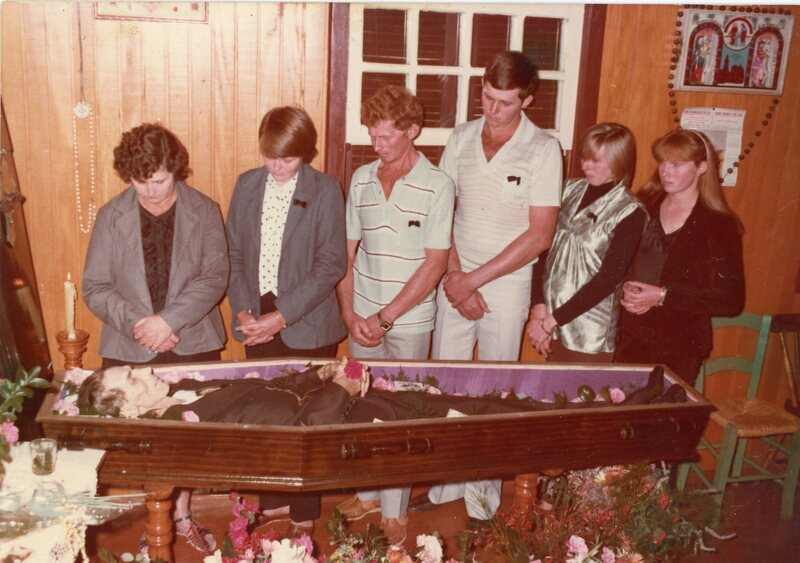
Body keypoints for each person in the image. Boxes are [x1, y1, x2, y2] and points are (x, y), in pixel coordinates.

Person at [419, 50, 562, 528]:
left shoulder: (543, 149)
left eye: (505, 102)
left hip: (505, 284)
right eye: (487, 97)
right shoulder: (461, 137)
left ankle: (483, 497)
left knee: (495, 390)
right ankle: (446, 483)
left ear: (527, 100)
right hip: (455, 274)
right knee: (447, 385)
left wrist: (472, 281)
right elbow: (442, 212)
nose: (494, 109)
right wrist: (455, 277)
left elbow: (539, 236)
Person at [83, 122, 228, 553]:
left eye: (160, 180)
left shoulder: (204, 210)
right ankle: (155, 519)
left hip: (192, 339)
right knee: (143, 442)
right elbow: (95, 287)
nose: (150, 191)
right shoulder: (111, 215)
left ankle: (181, 513)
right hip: (129, 346)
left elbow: (215, 276)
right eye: (139, 181)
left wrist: (169, 322)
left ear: (175, 167)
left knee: (189, 435)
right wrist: (140, 325)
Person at [335, 84, 455, 545]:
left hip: (409, 321)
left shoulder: (438, 185)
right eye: (372, 135)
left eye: (386, 136)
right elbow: (345, 254)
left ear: (413, 131)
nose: (377, 145)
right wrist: (350, 313)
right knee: (364, 408)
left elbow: (435, 264)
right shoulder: (361, 179)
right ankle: (369, 494)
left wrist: (385, 317)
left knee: (401, 414)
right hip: (362, 319)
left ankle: (394, 508)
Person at [226, 106, 347, 537]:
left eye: (288, 159)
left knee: (307, 417)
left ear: (306, 153)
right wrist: (243, 310)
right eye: (269, 156)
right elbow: (233, 254)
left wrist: (282, 316)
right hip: (255, 313)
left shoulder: (325, 190)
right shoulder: (246, 184)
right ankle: (274, 500)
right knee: (266, 412)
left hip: (305, 319)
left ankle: (304, 512)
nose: (276, 167)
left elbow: (331, 264)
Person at [614, 128, 745, 386]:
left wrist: (663, 296)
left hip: (680, 345)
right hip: (631, 336)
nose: (666, 171)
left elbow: (730, 301)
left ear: (701, 168)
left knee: (666, 413)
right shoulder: (643, 206)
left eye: (677, 164)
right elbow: (619, 265)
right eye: (662, 162)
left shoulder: (719, 225)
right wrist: (625, 289)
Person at [527, 123, 646, 363]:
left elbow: (608, 279)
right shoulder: (568, 189)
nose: (585, 166)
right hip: (549, 318)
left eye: (595, 160)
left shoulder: (630, 211)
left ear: (619, 160)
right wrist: (539, 307)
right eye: (584, 157)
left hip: (588, 332)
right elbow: (542, 248)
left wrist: (550, 322)